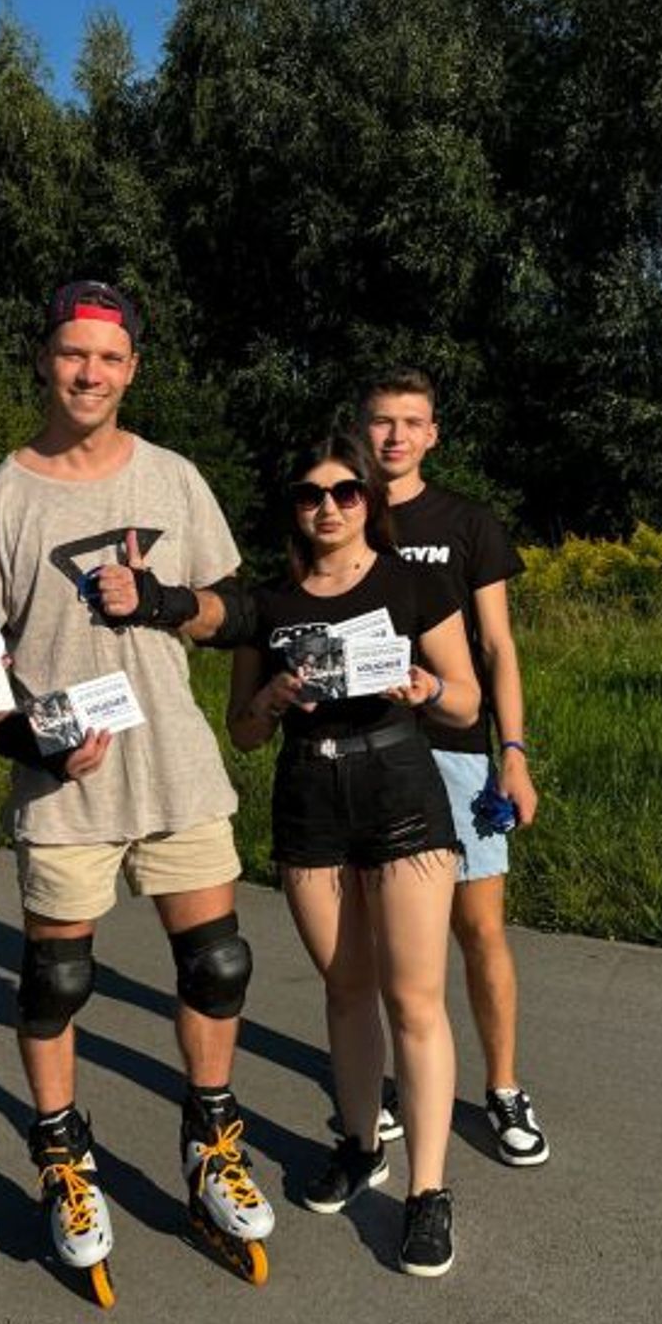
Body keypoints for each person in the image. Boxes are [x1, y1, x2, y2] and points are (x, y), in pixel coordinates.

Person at [0, 279, 275, 1304]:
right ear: (45, 359)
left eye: (110, 358)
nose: (91, 374)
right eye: (75, 354)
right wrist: (24, 737)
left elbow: (234, 610)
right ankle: (64, 1156)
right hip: (65, 788)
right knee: (57, 983)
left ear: (133, 370)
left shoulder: (173, 478)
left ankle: (211, 1142)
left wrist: (163, 600)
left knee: (217, 965)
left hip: (175, 768)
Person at [224, 434, 479, 1277]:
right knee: (344, 989)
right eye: (309, 494)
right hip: (309, 796)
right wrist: (269, 697)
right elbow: (244, 732)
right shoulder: (268, 602)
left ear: (369, 499)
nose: (327, 507)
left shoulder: (412, 584)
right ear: (292, 507)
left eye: (345, 492)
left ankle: (428, 1192)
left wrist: (427, 689)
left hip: (399, 789)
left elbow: (465, 698)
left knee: (414, 1000)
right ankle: (362, 1144)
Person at [362, 370, 549, 1167]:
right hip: (368, 746)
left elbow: (498, 647)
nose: (396, 436)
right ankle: (401, 1080)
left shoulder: (467, 522)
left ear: (433, 434)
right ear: (362, 428)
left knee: (478, 929)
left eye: (412, 422)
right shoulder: (340, 511)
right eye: (382, 421)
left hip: (459, 748)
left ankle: (502, 1088)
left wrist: (514, 754)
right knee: (388, 938)